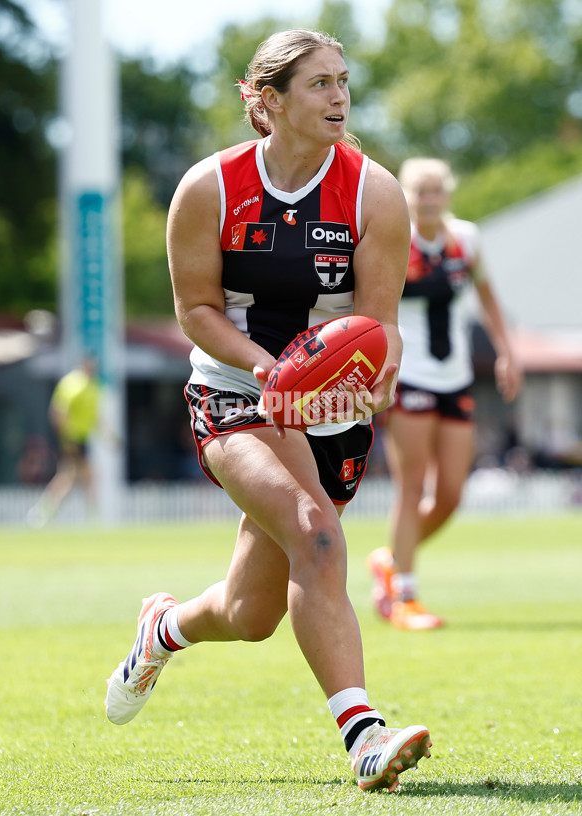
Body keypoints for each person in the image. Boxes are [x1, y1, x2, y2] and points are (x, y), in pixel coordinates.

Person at [105, 30, 432, 792]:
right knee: (317, 535)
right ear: (268, 101)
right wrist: (268, 371)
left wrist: (375, 376)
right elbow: (195, 309)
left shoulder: (375, 192)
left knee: (251, 614)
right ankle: (365, 737)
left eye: (343, 81)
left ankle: (163, 629)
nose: (340, 97)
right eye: (319, 84)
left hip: (330, 406)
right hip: (234, 390)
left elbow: (380, 326)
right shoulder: (209, 187)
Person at [367, 157, 522, 630]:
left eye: (437, 190)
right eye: (421, 191)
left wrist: (506, 352)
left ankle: (390, 561)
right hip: (409, 376)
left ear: (447, 194)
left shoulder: (466, 239)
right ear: (406, 196)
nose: (429, 199)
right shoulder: (395, 238)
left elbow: (488, 297)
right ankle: (404, 596)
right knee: (411, 487)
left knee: (452, 494)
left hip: (455, 376)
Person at [27, 356, 100, 527]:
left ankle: (46, 511)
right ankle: (90, 516)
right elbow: (58, 413)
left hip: (80, 438)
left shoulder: (91, 387)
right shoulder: (73, 384)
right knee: (78, 477)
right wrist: (67, 439)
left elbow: (94, 418)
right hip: (72, 438)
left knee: (74, 478)